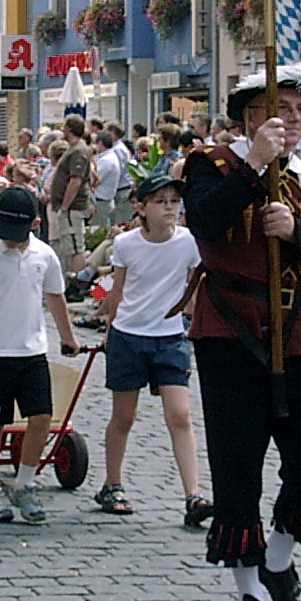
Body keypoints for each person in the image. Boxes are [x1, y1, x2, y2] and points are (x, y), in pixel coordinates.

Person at [183, 63, 301, 601]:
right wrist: (254, 165)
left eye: (296, 111)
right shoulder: (210, 166)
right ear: (249, 117)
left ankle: (278, 560)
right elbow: (204, 221)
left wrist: (297, 236)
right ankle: (249, 596)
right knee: (237, 471)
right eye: (273, 109)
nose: (287, 120)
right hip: (231, 330)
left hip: (299, 327)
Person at [0, 186, 80, 524]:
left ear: (34, 224)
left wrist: (68, 336)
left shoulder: (44, 256)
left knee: (41, 418)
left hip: (32, 351)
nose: (10, 241)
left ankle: (25, 482)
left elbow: (55, 297)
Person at [93, 173, 205, 521]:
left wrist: (192, 321)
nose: (170, 207)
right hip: (129, 334)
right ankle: (112, 483)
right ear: (141, 207)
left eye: (174, 201)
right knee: (124, 417)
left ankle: (194, 495)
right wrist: (109, 330)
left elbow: (194, 286)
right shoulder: (126, 244)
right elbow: (119, 291)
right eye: (161, 201)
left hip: (169, 336)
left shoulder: (189, 242)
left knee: (180, 414)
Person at [47, 114, 93, 276]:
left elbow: (75, 180)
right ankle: (74, 277)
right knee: (69, 246)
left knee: (75, 246)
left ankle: (79, 281)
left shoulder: (79, 150)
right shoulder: (74, 149)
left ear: (69, 129)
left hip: (73, 207)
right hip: (69, 207)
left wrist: (65, 206)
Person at [90, 130, 122, 228]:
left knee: (97, 230)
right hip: (102, 201)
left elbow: (95, 180)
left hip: (102, 202)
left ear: (100, 143)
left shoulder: (107, 160)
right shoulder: (106, 157)